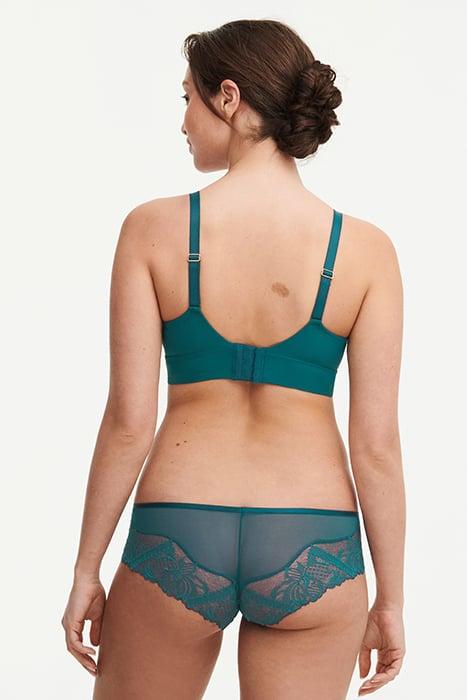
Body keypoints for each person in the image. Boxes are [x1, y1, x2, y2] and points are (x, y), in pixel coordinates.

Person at [61, 18, 406, 699]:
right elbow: (376, 447)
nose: (183, 121)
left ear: (228, 97)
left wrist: (84, 570)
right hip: (315, 540)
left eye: (187, 98)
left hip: (177, 530)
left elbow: (129, 423)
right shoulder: (366, 251)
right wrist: (390, 599)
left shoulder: (152, 229)